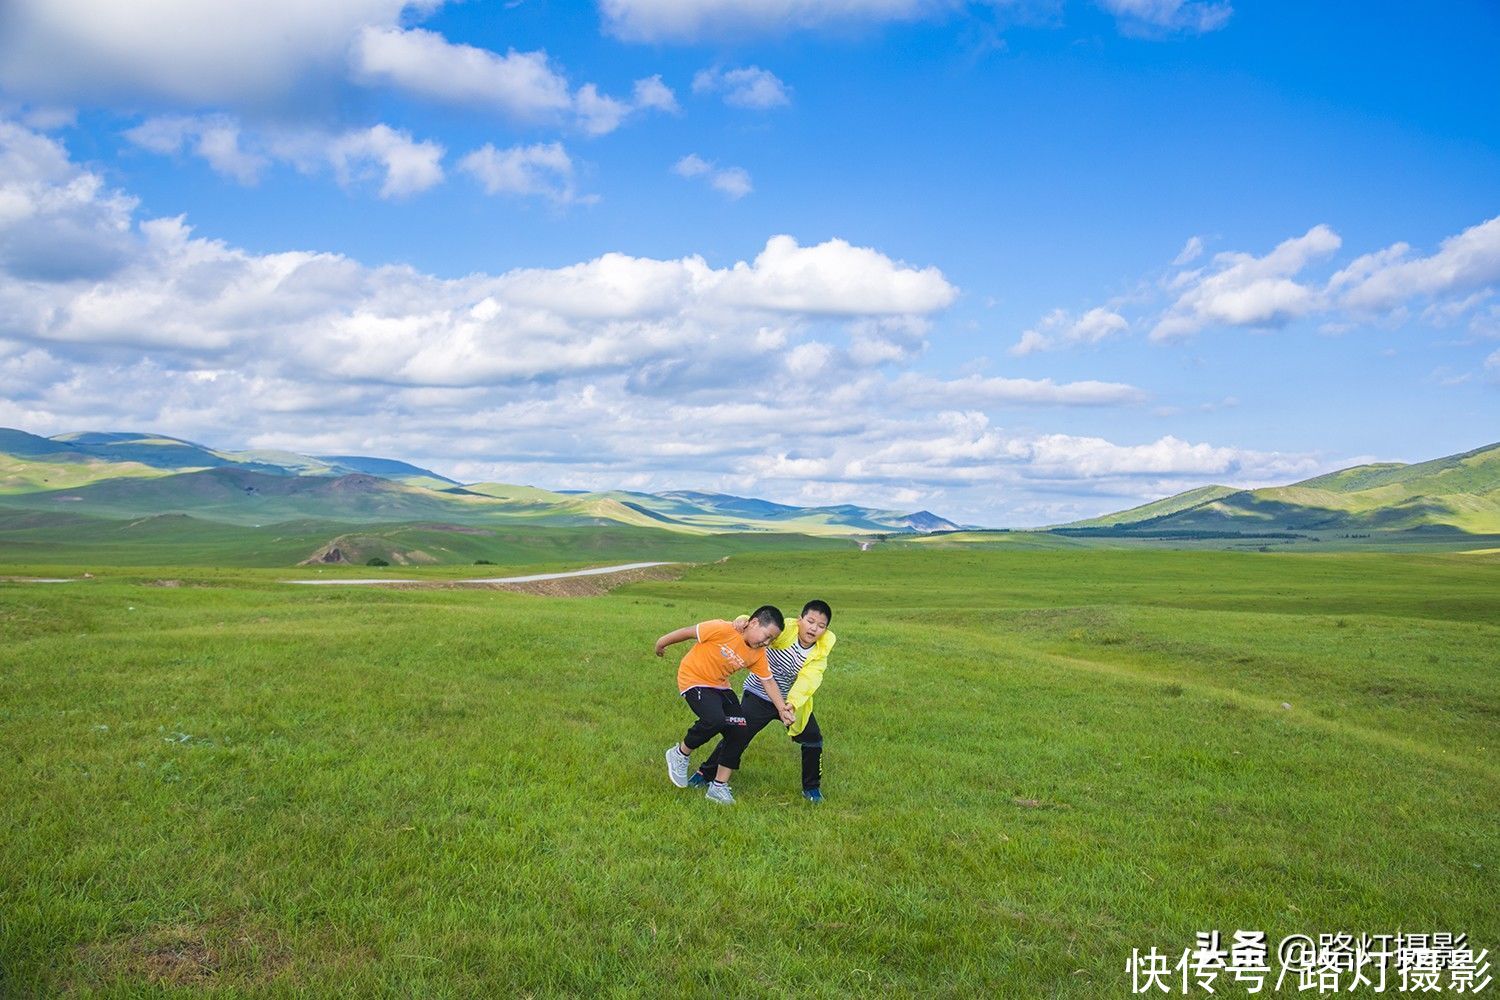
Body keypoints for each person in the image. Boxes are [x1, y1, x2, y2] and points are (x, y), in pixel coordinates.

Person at [690, 600, 836, 804]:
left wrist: (791, 705)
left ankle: (811, 789)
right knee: (738, 733)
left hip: (790, 704)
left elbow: (808, 681)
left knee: (813, 739)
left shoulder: (820, 653)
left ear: (825, 630)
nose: (813, 628)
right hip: (759, 694)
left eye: (820, 626)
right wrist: (742, 619)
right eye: (810, 621)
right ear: (800, 619)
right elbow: (759, 627)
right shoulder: (785, 630)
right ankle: (704, 774)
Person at [653, 606, 795, 805]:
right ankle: (679, 754)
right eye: (766, 636)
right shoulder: (722, 628)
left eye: (771, 640)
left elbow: (768, 681)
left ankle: (718, 786)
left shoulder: (758, 653)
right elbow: (687, 632)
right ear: (753, 623)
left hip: (719, 686)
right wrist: (661, 643)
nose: (766, 642)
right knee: (715, 720)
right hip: (694, 679)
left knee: (740, 730)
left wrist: (781, 708)